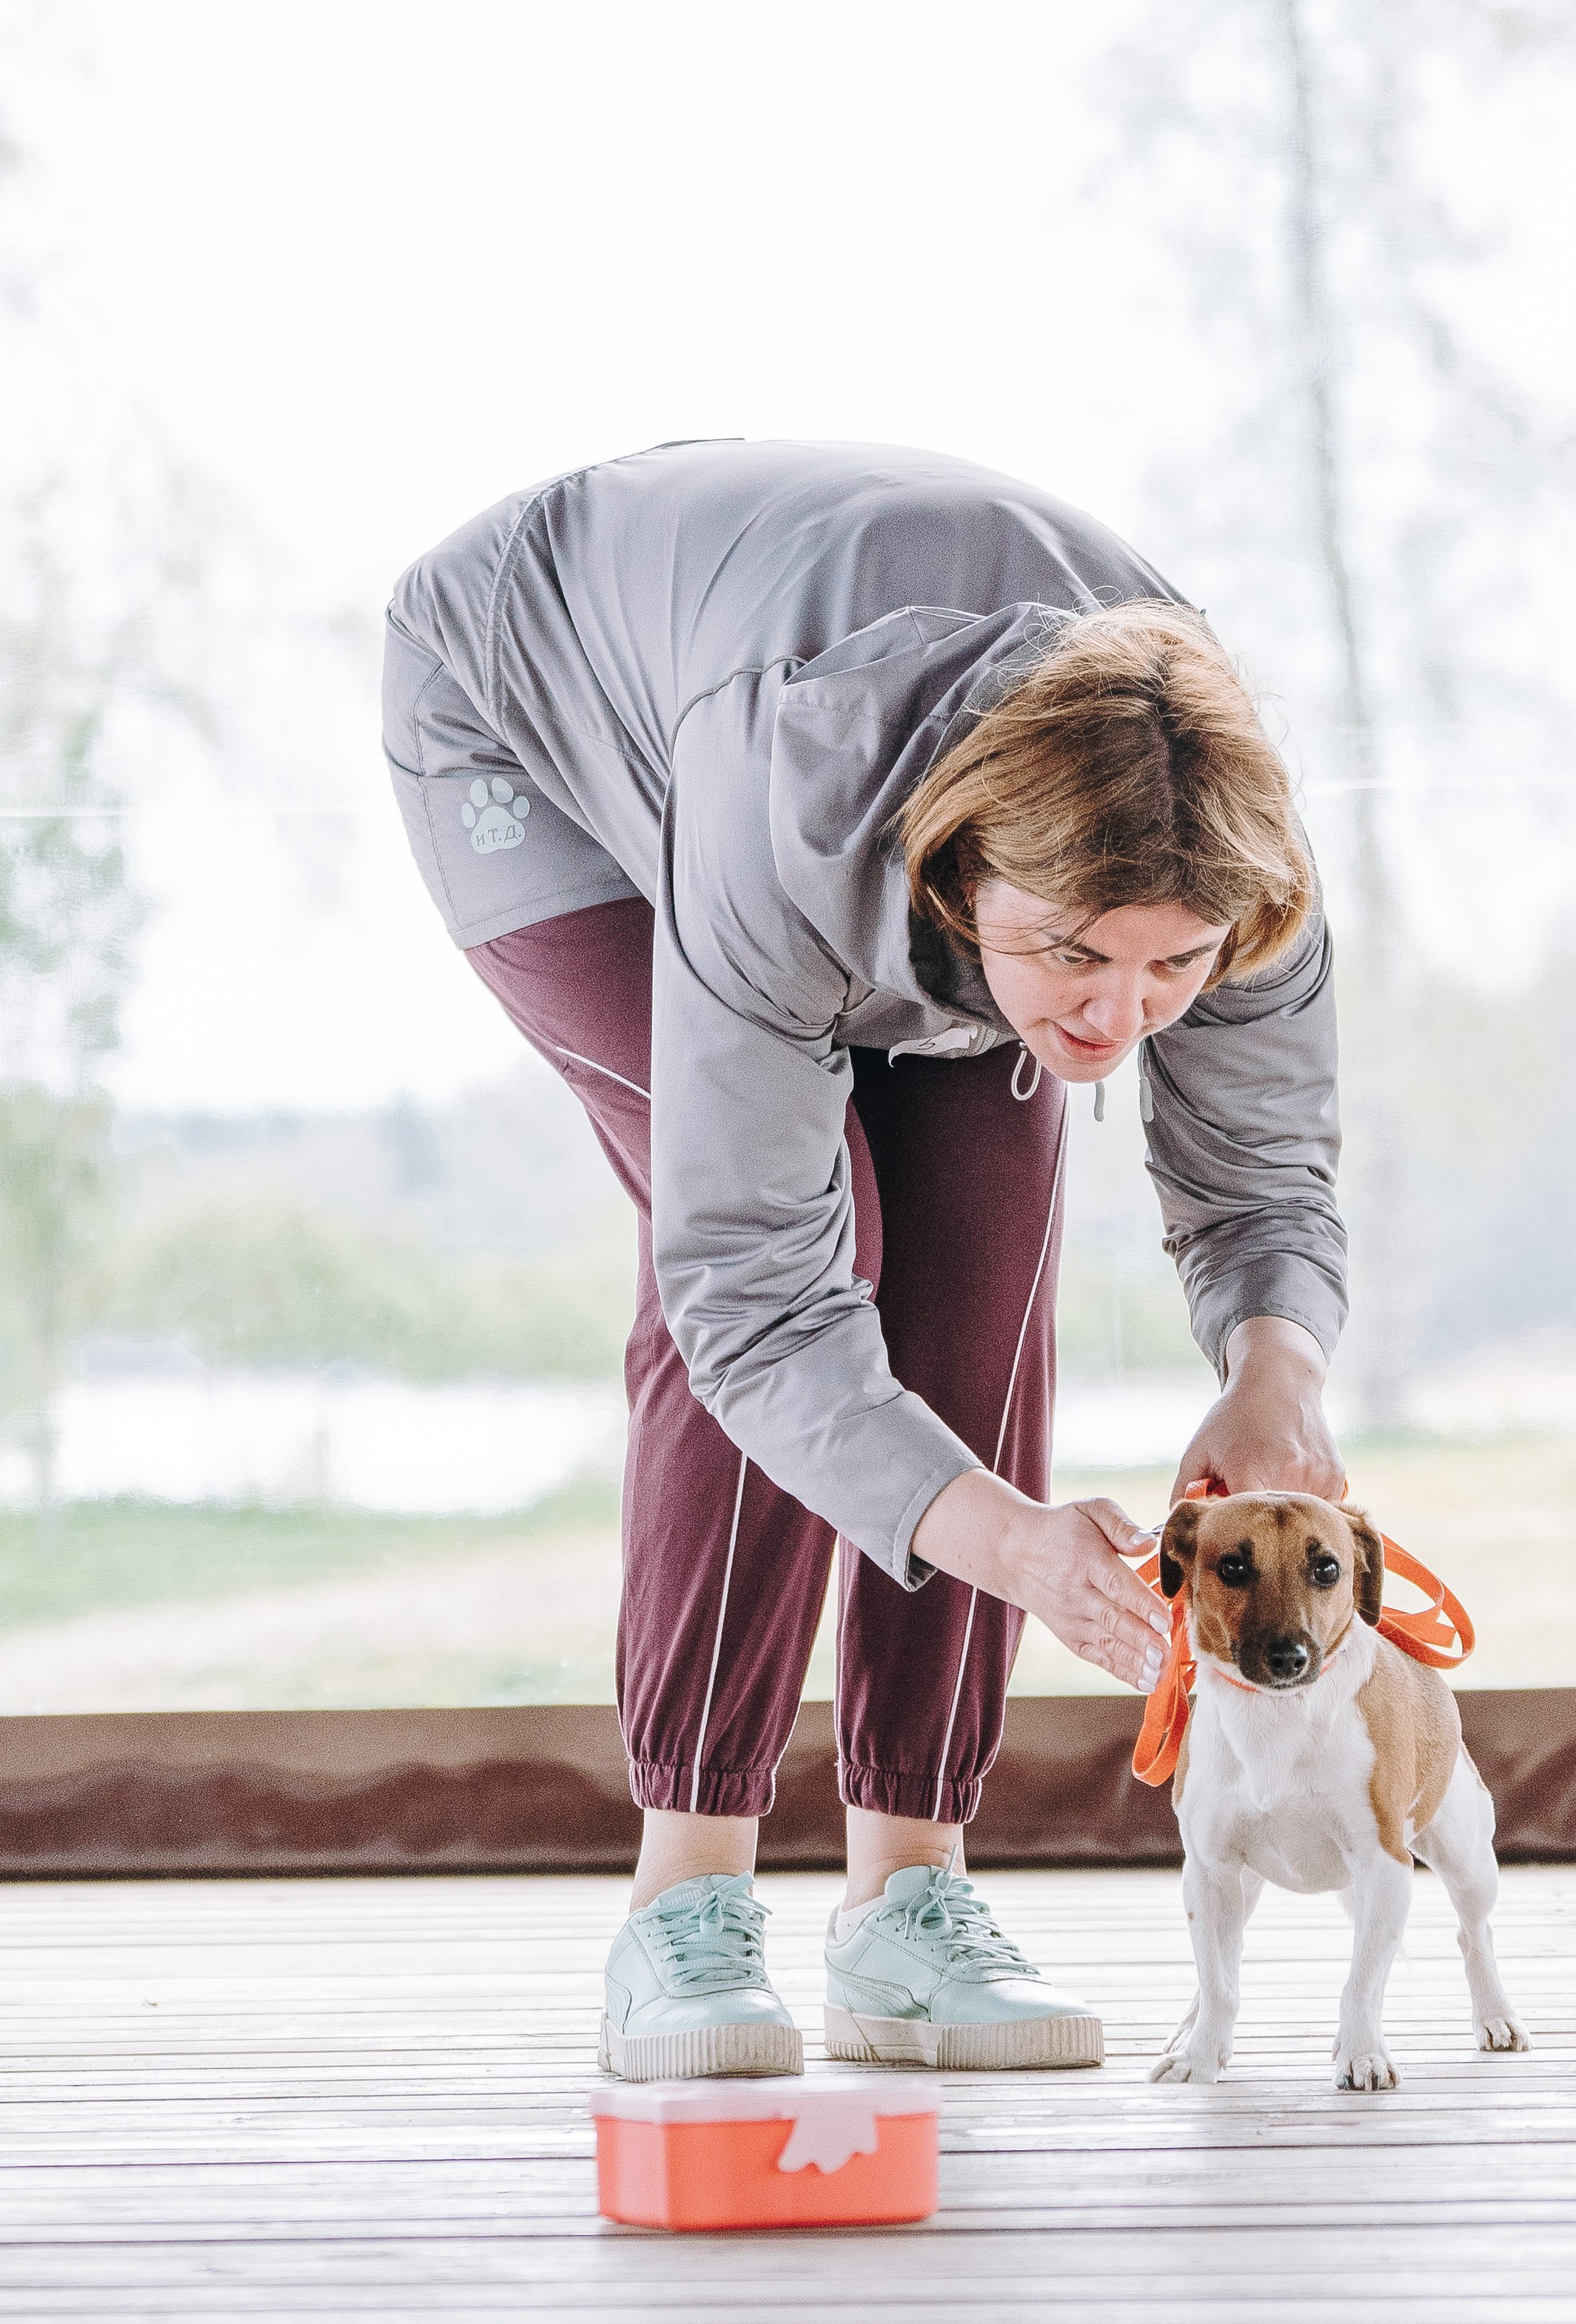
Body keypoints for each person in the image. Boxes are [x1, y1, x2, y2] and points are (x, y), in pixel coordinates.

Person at [383, 439, 1346, 2080]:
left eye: (1171, 968)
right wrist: (1014, 1546)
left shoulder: (1231, 856)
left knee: (975, 1247)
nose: (1117, 1016)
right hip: (534, 730)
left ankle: (910, 1895)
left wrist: (1275, 1374)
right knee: (799, 1235)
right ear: (967, 873)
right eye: (1072, 955)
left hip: (864, 767)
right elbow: (756, 1299)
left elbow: (1263, 1171)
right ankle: (686, 1896)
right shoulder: (794, 796)